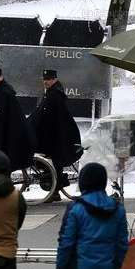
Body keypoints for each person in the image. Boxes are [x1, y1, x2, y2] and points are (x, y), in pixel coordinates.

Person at [28, 69, 82, 201]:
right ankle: (55, 190)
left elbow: (43, 115)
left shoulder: (54, 95)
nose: (46, 81)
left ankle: (55, 190)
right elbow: (40, 113)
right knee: (52, 160)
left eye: (49, 79)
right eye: (45, 79)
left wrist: (28, 124)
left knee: (53, 159)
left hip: (56, 135)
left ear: (55, 79)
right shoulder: (53, 93)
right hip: (55, 134)